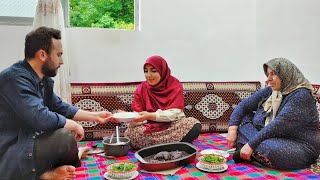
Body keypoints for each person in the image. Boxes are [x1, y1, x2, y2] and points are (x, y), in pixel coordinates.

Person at [0, 26, 115, 180]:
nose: (61, 61)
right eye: (59, 55)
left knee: (64, 137)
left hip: (28, 144)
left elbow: (59, 107)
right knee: (64, 137)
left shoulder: (42, 79)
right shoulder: (14, 78)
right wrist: (72, 124)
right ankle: (44, 175)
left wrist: (95, 116)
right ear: (42, 54)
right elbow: (39, 117)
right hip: (10, 151)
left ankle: (61, 163)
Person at [226, 57, 320, 170]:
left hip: (300, 147)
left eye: (273, 74)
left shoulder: (301, 95)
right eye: (268, 74)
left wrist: (251, 145)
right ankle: (252, 153)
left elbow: (277, 125)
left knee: (271, 149)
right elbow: (243, 106)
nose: (269, 79)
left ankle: (245, 148)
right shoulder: (273, 90)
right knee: (242, 119)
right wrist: (232, 129)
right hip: (271, 137)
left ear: (286, 74)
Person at [124, 55, 202, 149]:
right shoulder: (141, 88)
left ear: (162, 70)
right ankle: (172, 145)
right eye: (146, 71)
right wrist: (130, 118)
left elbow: (175, 114)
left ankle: (153, 147)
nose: (148, 75)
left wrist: (151, 115)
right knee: (130, 133)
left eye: (153, 71)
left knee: (193, 124)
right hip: (148, 127)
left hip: (171, 124)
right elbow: (139, 116)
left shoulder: (174, 84)